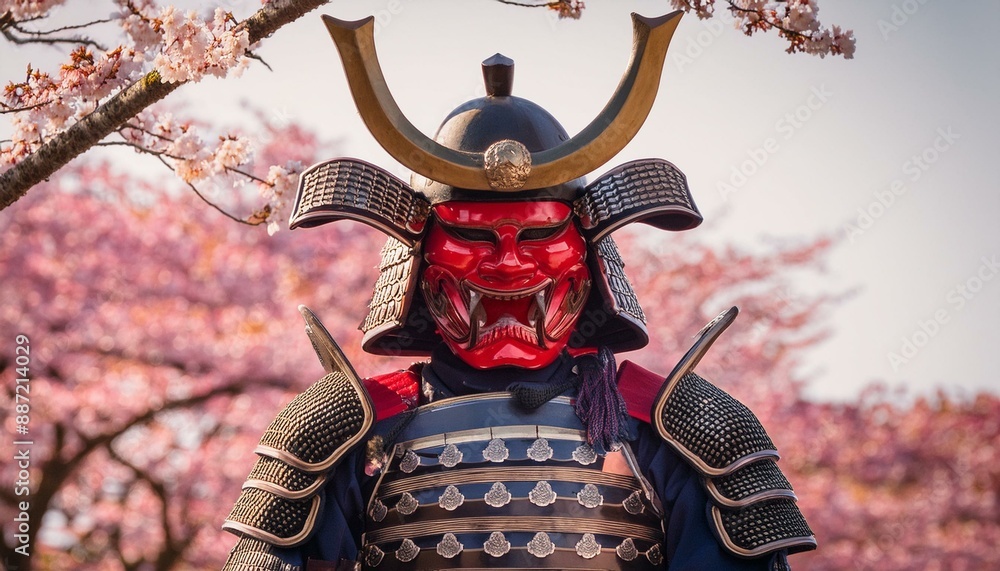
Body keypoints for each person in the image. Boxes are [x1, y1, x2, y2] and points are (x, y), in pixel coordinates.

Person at [222, 11, 815, 571]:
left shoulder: (684, 428)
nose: (508, 265)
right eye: (472, 237)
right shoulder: (342, 427)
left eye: (537, 234)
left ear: (589, 254)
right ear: (419, 257)